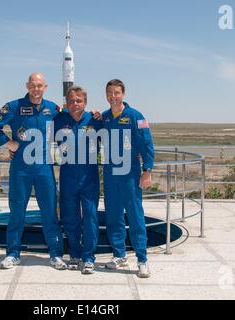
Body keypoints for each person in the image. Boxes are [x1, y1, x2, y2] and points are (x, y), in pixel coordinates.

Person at [0, 73, 67, 270]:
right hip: (21, 169)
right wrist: (7, 142)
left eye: (40, 86)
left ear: (45, 87)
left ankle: (55, 254)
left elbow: (72, 120)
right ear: (27, 86)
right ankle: (13, 254)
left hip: (44, 169)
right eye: (33, 85)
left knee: (49, 212)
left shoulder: (53, 108)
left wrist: (95, 116)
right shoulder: (14, 106)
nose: (36, 89)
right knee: (17, 211)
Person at [101, 79, 155, 278]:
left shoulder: (136, 116)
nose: (112, 96)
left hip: (130, 175)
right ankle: (119, 255)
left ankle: (142, 259)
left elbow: (147, 144)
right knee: (113, 215)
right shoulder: (104, 118)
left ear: (123, 93)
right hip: (110, 174)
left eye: (116, 93)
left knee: (135, 216)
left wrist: (147, 170)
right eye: (109, 93)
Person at [54, 86, 103, 275]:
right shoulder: (59, 120)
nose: (75, 104)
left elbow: (120, 133)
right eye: (72, 101)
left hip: (89, 177)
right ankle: (74, 254)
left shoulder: (95, 120)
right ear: (67, 102)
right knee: (70, 217)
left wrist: (137, 155)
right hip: (67, 175)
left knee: (90, 217)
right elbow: (38, 133)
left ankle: (89, 257)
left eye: (79, 101)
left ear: (85, 102)